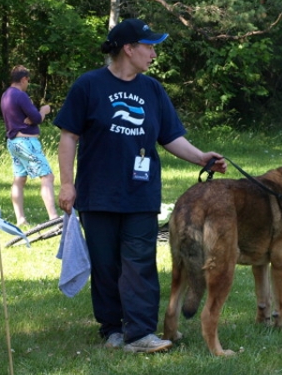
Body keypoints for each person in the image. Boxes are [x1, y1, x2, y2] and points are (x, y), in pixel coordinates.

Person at [54, 18, 227, 353]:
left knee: (139, 262)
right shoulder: (88, 86)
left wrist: (201, 157)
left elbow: (171, 137)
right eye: (148, 46)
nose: (153, 53)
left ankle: (141, 332)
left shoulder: (152, 90)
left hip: (141, 192)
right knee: (105, 265)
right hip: (97, 193)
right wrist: (65, 184)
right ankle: (111, 329)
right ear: (128, 48)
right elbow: (69, 136)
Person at [0, 65, 59, 227]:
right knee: (47, 176)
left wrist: (31, 118)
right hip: (27, 142)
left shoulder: (6, 95)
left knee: (19, 179)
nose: (28, 84)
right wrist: (43, 111)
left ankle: (20, 219)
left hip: (13, 142)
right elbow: (37, 118)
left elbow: (28, 118)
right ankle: (54, 218)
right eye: (28, 80)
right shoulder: (20, 95)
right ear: (24, 79)